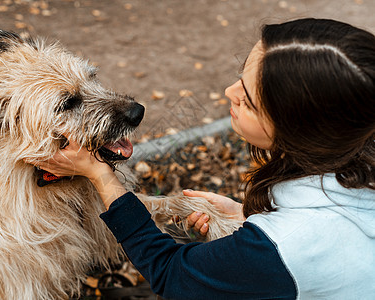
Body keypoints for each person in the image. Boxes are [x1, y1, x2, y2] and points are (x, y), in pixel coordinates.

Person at [32, 18, 375, 299]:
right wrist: (248, 219)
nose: (230, 92)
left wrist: (100, 175)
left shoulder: (287, 248)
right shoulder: (356, 164)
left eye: (248, 100)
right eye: (241, 77)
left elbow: (172, 275)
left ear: (300, 129)